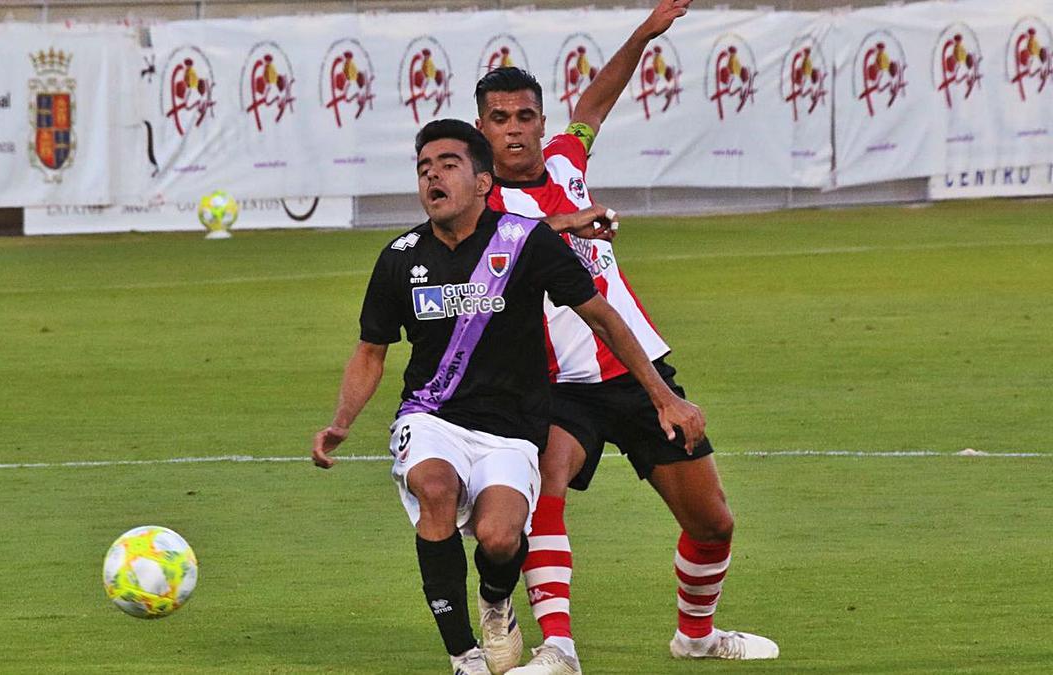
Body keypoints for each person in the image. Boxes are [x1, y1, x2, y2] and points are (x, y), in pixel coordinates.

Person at [311, 118, 706, 675]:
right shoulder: (400, 257)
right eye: (424, 168)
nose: (432, 177)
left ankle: (496, 598)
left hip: (512, 427)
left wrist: (662, 395)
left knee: (499, 540)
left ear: (481, 181)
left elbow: (604, 319)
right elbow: (371, 351)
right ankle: (462, 655)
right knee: (435, 486)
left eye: (447, 165)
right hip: (431, 415)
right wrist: (342, 420)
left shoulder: (525, 243)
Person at [474, 2, 780, 672]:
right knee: (545, 480)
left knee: (713, 521)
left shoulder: (565, 159)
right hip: (556, 386)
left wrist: (643, 35)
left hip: (639, 371)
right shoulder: (482, 203)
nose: (516, 131)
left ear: (541, 122)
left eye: (526, 116)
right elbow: (507, 245)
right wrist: (573, 225)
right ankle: (560, 649)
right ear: (482, 131)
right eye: (501, 120)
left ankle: (695, 635)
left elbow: (596, 101)